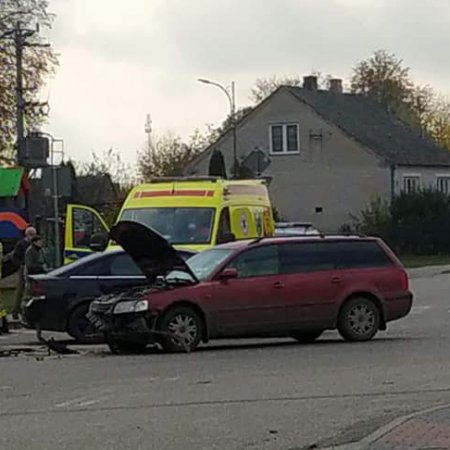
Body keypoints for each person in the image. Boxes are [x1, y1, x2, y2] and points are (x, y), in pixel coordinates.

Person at [12, 226, 37, 319]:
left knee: (30, 290)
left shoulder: (33, 245)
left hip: (32, 268)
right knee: (21, 290)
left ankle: (27, 311)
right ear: (29, 235)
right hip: (24, 268)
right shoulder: (21, 244)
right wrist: (21, 264)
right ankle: (16, 310)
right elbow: (14, 257)